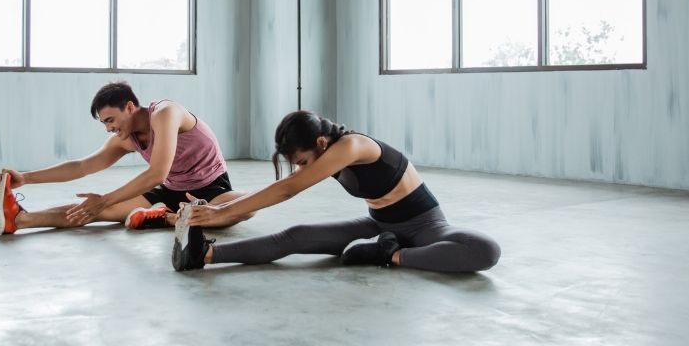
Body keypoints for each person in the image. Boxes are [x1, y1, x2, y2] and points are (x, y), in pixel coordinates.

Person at [171, 110, 501, 273]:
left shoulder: (351, 146)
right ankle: (206, 255)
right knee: (295, 236)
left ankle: (390, 255)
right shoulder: (326, 149)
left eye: (302, 161)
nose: (301, 169)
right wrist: (218, 214)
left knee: (485, 250)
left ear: (320, 143)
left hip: (424, 225)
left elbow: (287, 190)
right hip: (380, 225)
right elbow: (281, 186)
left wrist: (221, 211)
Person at [0, 81, 252, 235]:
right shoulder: (126, 137)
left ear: (129, 107)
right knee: (93, 211)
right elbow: (82, 166)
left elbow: (157, 173)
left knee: (246, 208)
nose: (108, 128)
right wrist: (25, 178)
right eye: (104, 123)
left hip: (212, 189)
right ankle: (20, 220)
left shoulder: (166, 113)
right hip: (171, 192)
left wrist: (105, 199)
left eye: (110, 120)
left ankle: (164, 217)